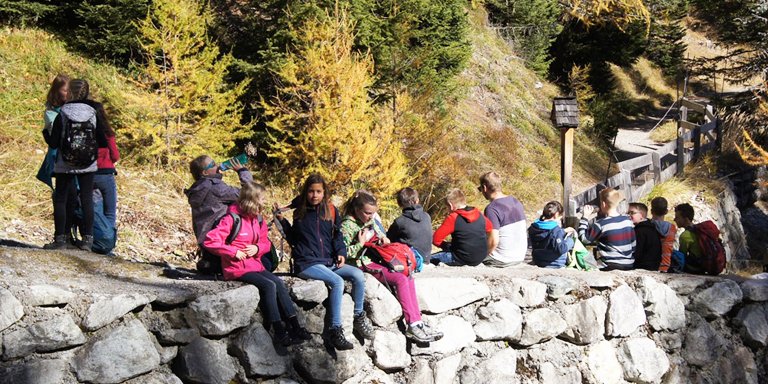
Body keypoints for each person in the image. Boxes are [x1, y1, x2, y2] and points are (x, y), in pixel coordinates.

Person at [203, 182, 311, 346]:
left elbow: (265, 243)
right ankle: (279, 330)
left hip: (255, 264)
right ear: (253, 200)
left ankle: (295, 325)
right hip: (236, 268)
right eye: (263, 198)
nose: (265, 202)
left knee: (279, 283)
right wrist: (232, 252)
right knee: (269, 286)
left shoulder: (257, 220)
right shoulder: (231, 219)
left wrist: (257, 248)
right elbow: (210, 241)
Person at [275, 174, 372, 350]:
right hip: (306, 263)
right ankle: (336, 329)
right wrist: (281, 221)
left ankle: (358, 315)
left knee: (357, 274)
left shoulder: (331, 210)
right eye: (311, 191)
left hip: (328, 261)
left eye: (318, 191)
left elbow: (337, 235)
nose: (314, 195)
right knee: (337, 281)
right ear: (306, 192)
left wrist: (341, 252)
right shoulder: (299, 212)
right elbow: (292, 238)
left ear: (324, 192)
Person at [340, 190, 443, 343]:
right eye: (368, 213)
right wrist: (360, 244)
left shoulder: (369, 222)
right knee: (400, 279)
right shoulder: (346, 226)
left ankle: (417, 321)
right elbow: (342, 254)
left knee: (407, 275)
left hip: (375, 259)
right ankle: (412, 325)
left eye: (373, 214)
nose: (371, 217)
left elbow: (380, 234)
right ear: (357, 210)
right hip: (361, 264)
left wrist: (383, 239)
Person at [43, 79, 108, 251]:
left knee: (61, 199)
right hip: (88, 163)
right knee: (86, 198)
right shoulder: (93, 113)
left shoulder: (63, 113)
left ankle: (60, 239)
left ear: (69, 93)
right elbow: (102, 141)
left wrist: (45, 133)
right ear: (86, 93)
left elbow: (54, 143)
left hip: (65, 162)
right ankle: (87, 240)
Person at [185, 155, 251, 247]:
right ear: (205, 172)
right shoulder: (215, 187)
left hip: (206, 240)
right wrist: (242, 171)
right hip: (220, 240)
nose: (216, 164)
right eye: (212, 164)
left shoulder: (198, 188)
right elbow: (249, 193)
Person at [431, 188, 493, 266]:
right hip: (480, 257)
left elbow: (436, 239)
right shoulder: (479, 214)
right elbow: (490, 227)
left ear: (451, 205)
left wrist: (446, 245)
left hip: (461, 258)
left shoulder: (454, 217)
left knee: (428, 259)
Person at [578, 188, 636, 270]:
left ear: (603, 204)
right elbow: (633, 245)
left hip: (608, 264)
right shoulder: (627, 220)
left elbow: (583, 239)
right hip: (628, 264)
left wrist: (585, 218)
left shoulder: (601, 224)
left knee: (586, 262)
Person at [478, 172, 527, 267]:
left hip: (501, 259)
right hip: (519, 256)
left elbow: (494, 241)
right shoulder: (516, 202)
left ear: (485, 188)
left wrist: (481, 255)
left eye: (480, 189)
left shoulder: (492, 208)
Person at [386, 187, 433, 264]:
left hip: (411, 259)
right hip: (426, 258)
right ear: (417, 201)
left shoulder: (400, 221)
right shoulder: (427, 216)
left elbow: (389, 238)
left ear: (399, 204)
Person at [529, 201, 575, 268]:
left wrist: (564, 231)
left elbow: (549, 234)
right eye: (560, 218)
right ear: (556, 215)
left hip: (538, 260)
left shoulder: (534, 227)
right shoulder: (555, 229)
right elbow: (561, 249)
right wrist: (571, 241)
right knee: (568, 242)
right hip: (555, 263)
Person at [93, 117, 120, 228]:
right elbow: (115, 155)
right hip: (105, 173)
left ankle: (89, 238)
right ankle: (108, 240)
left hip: (87, 174)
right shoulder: (107, 133)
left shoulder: (84, 131)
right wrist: (107, 161)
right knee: (109, 212)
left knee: (89, 210)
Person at [629, 202, 662, 271]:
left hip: (643, 267)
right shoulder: (651, 228)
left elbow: (637, 252)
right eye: (628, 213)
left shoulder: (640, 231)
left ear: (642, 216)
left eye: (632, 213)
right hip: (653, 267)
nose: (629, 215)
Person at [673, 203, 703, 273]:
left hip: (694, 269)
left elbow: (681, 257)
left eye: (677, 217)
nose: (674, 219)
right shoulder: (698, 230)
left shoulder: (685, 236)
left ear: (686, 220)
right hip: (702, 266)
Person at [650, 197, 677, 272]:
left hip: (652, 266)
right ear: (666, 211)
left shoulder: (648, 227)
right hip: (667, 266)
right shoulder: (672, 228)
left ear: (651, 211)